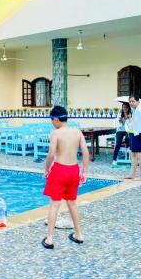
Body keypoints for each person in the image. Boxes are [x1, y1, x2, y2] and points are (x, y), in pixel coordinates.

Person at [42, 106, 89, 249]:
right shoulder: (77, 132)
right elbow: (86, 152)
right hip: (74, 170)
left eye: (51, 120)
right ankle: (79, 235)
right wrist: (84, 172)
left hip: (60, 169)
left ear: (56, 119)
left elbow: (51, 154)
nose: (52, 122)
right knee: (72, 204)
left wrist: (46, 169)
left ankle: (49, 239)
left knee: (54, 204)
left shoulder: (55, 133)